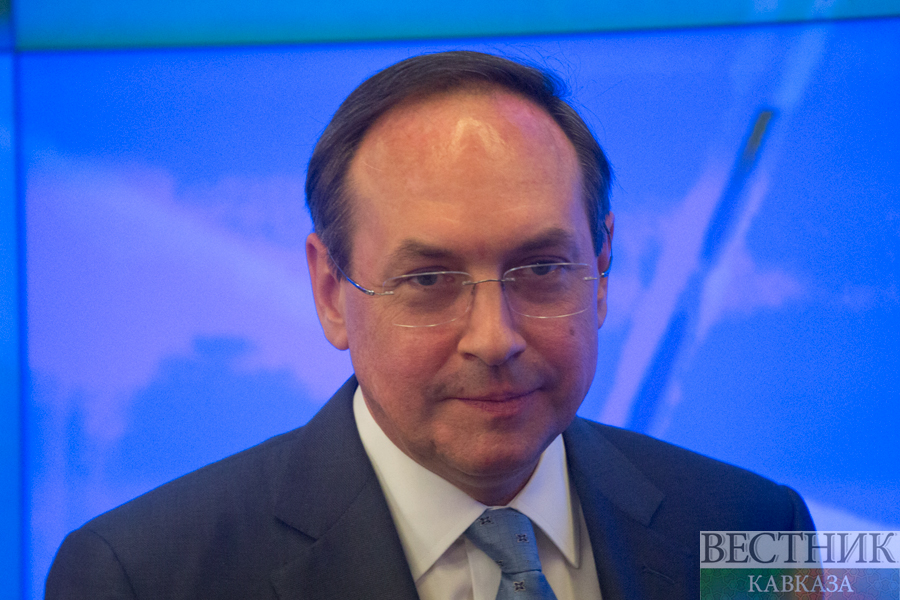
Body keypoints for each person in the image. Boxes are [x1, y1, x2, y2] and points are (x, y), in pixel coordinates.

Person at [46, 50, 814, 600]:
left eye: (541, 269)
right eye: (428, 281)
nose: (495, 339)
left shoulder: (754, 528)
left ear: (603, 269)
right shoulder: (139, 575)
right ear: (330, 291)